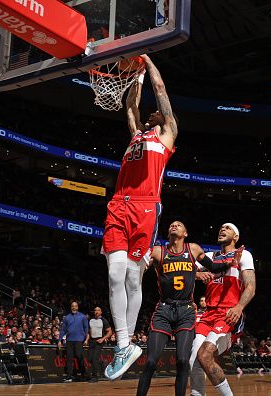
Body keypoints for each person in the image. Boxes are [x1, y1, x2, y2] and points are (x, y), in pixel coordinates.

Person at [102, 54, 179, 380]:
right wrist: (136, 76)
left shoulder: (167, 136)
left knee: (133, 278)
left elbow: (160, 88)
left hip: (147, 206)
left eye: (157, 113)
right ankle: (124, 344)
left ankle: (128, 339)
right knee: (115, 273)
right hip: (119, 203)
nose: (151, 113)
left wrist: (147, 63)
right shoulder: (137, 134)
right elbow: (131, 106)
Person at [136, 221, 237, 396]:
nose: (174, 225)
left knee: (183, 361)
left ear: (185, 233)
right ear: (168, 233)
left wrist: (230, 263)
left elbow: (213, 267)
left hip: (186, 310)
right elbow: (143, 264)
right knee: (151, 361)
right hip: (164, 310)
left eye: (179, 224)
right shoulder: (158, 251)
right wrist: (142, 266)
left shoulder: (194, 249)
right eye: (171, 225)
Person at [189, 223, 256, 396]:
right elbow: (185, 270)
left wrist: (239, 307)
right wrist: (198, 274)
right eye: (221, 228)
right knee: (192, 360)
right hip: (208, 313)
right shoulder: (210, 256)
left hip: (228, 313)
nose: (222, 229)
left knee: (204, 354)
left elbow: (250, 286)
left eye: (227, 228)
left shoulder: (244, 255)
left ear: (236, 237)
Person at [58, 301, 89, 382]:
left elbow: (86, 328)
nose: (74, 307)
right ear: (71, 307)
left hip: (79, 340)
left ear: (77, 307)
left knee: (79, 356)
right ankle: (69, 376)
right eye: (72, 306)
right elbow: (63, 330)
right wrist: (59, 340)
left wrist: (86, 339)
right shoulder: (67, 317)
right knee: (69, 359)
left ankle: (83, 374)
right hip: (69, 341)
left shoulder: (83, 317)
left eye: (75, 306)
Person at [86, 306, 112, 382]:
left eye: (98, 310)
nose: (96, 311)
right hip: (91, 341)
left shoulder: (104, 320)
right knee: (90, 358)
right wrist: (86, 340)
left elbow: (110, 332)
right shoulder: (90, 320)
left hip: (99, 341)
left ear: (101, 312)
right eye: (95, 310)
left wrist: (103, 339)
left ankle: (95, 377)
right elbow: (89, 332)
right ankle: (102, 363)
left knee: (94, 358)